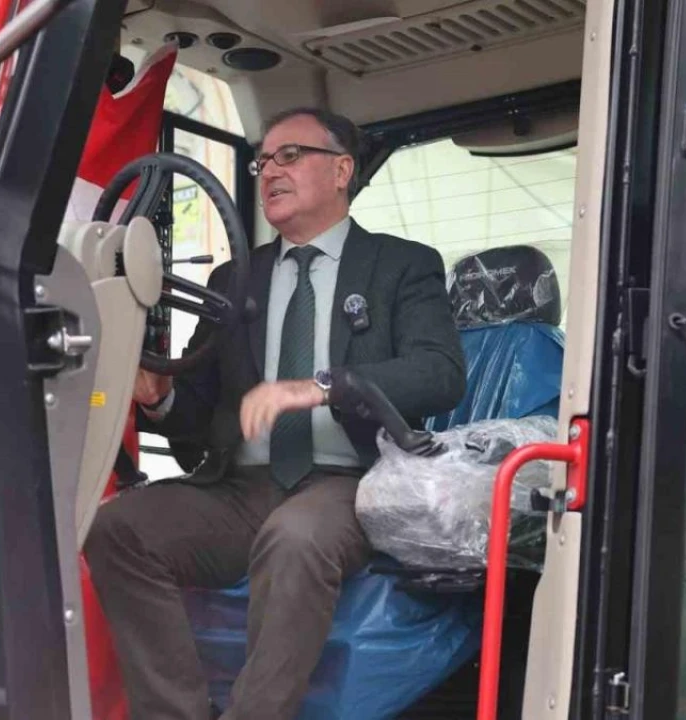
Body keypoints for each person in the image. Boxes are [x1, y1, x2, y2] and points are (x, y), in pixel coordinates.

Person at [83, 106, 467, 720]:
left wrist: (320, 387)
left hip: (349, 483)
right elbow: (199, 414)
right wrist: (160, 397)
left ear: (341, 171)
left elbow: (440, 374)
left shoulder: (403, 265)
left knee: (294, 538)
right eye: (262, 161)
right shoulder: (234, 279)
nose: (269, 172)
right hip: (240, 489)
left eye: (290, 156)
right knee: (117, 529)